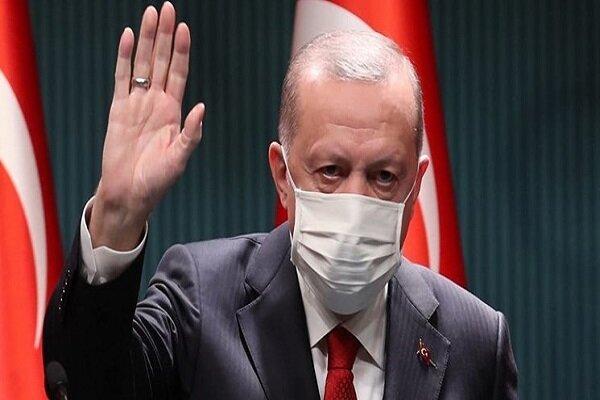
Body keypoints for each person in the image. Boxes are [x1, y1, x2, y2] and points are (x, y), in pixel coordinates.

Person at [43, 2, 518, 399]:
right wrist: (116, 218)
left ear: (415, 186)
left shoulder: (476, 341)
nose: (355, 201)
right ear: (282, 176)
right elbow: (86, 384)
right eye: (330, 171)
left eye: (383, 176)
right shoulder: (201, 299)